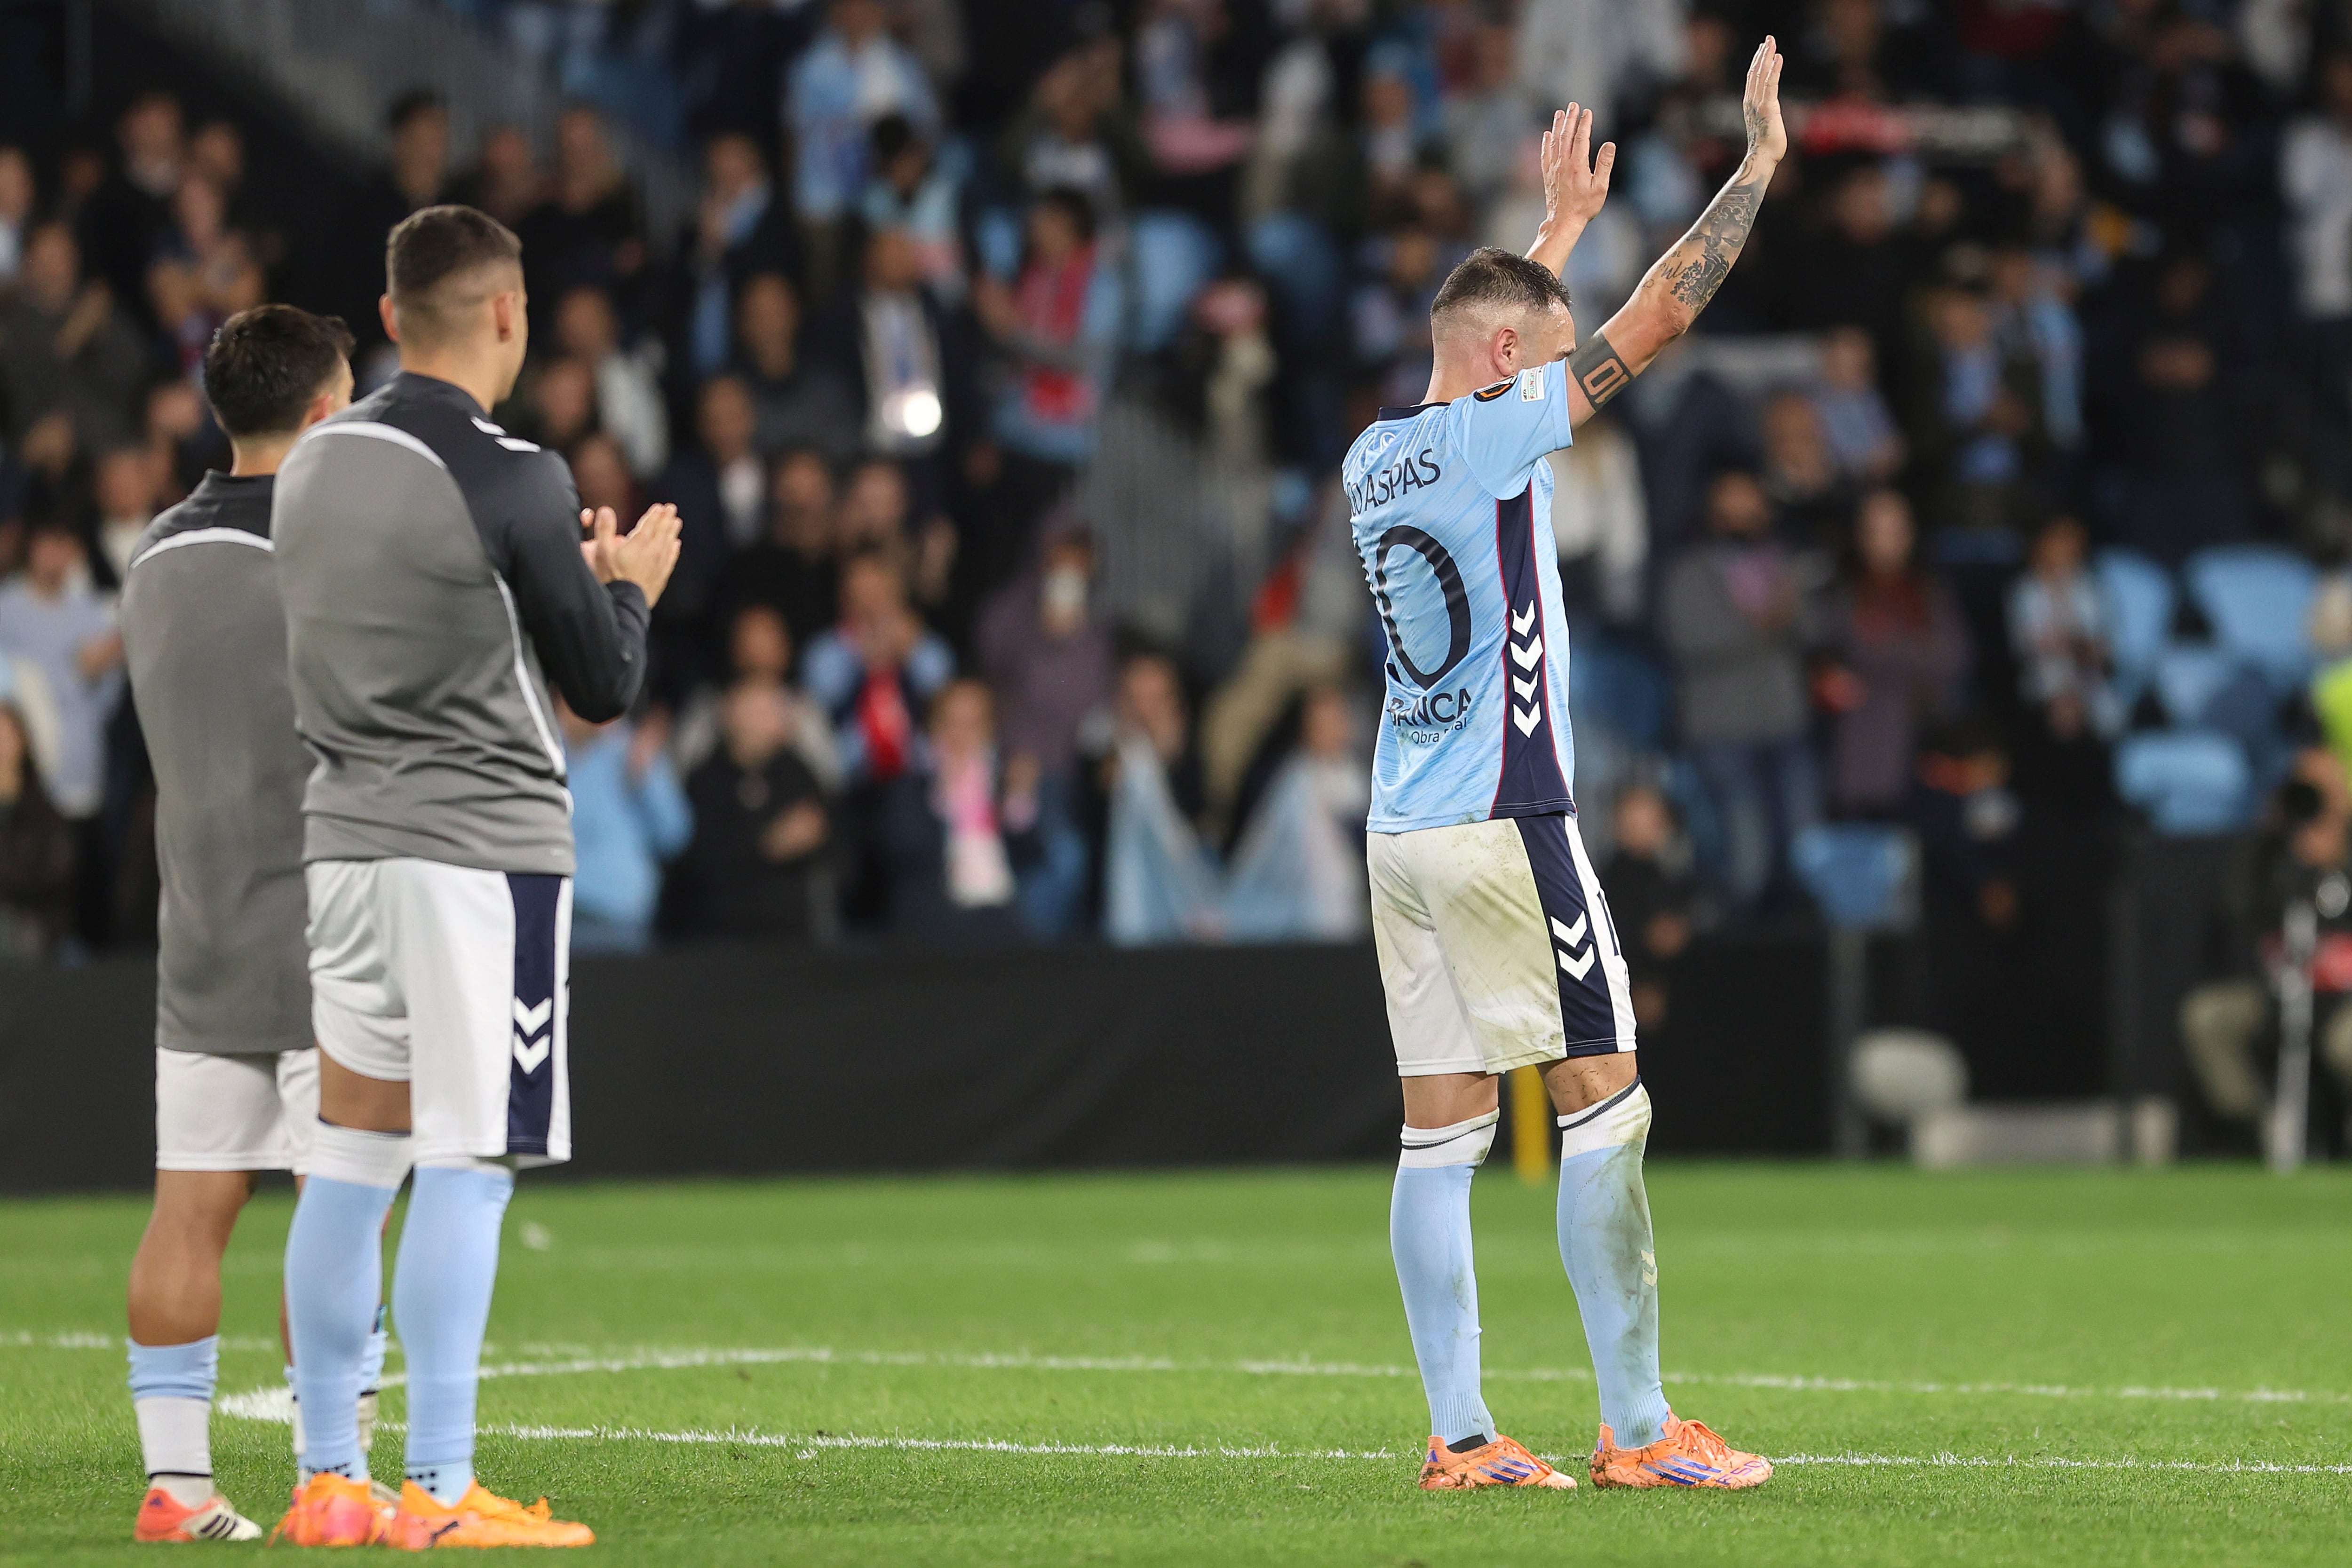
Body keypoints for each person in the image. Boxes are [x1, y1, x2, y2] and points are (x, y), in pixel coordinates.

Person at [1341, 41, 1786, 1494]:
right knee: (1606, 1095)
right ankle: (1643, 1433)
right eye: (1542, 335)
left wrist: (1552, 239)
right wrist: (1756, 168)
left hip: (1399, 831)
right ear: (1513, 364)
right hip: (1507, 816)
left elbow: (1500, 344)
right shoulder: (1500, 433)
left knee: (1440, 1126)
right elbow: (1656, 320)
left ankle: (1461, 1438)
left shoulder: (1377, 455)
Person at [267, 204, 680, 1548]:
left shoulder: (316, 462)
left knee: (349, 1161)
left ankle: (331, 1480)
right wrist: (627, 583)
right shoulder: (515, 474)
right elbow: (602, 685)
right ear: (509, 315)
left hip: (344, 852)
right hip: (477, 856)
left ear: (389, 321)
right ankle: (441, 1491)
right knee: (473, 1160)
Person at [114, 304, 355, 1544]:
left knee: (189, 1206)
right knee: (342, 1206)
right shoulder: (328, 550)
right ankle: (331, 1480)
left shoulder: (153, 552)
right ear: (324, 410)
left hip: (198, 927)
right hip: (327, 927)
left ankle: (178, 1486)